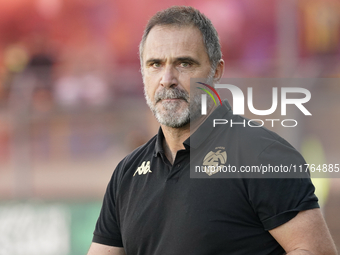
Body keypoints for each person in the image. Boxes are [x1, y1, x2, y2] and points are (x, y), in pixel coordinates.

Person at [87, 6, 337, 255]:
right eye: (155, 64)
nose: (167, 78)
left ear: (216, 71)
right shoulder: (126, 173)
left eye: (184, 63)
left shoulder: (263, 155)